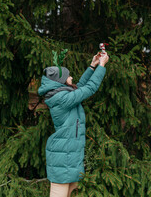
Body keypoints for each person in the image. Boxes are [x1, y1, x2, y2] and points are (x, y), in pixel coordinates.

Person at [38, 52, 109, 197]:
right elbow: (89, 89)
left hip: (69, 155)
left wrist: (92, 66)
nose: (71, 78)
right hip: (62, 158)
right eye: (68, 76)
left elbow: (80, 87)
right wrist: (102, 66)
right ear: (61, 81)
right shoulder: (62, 99)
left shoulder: (63, 94)